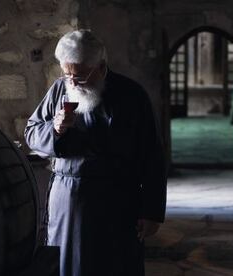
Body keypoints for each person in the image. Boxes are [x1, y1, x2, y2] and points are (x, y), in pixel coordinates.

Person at [25, 29, 167, 276]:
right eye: (66, 74)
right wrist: (55, 130)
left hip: (117, 202)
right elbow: (32, 133)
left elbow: (152, 156)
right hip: (68, 201)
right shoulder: (60, 90)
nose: (72, 83)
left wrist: (151, 211)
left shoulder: (132, 95)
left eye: (79, 77)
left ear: (100, 67)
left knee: (115, 265)